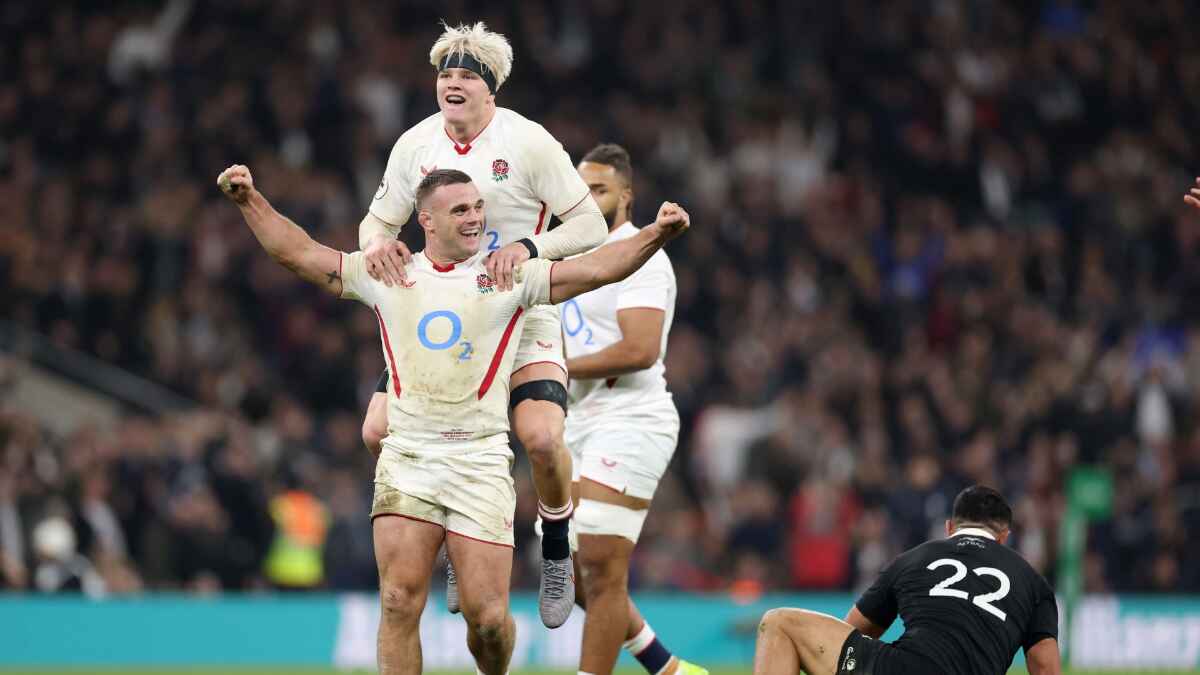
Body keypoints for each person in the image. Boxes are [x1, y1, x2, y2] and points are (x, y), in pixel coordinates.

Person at [216, 164, 688, 675]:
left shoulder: (508, 275)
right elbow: (301, 253)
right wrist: (249, 201)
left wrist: (655, 236)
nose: (476, 218)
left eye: (479, 208)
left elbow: (595, 269)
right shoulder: (388, 274)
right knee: (397, 601)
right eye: (461, 210)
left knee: (488, 621)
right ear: (426, 221)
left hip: (480, 461)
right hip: (409, 458)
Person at [358, 21, 610, 626]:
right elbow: (377, 223)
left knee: (544, 438)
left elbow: (591, 227)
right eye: (446, 73)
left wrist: (528, 247)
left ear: (490, 89)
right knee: (375, 432)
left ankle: (554, 547)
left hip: (520, 313)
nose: (454, 83)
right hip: (442, 316)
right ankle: (452, 530)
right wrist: (376, 248)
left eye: (468, 75)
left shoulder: (529, 143)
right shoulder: (415, 145)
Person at [559, 144, 704, 675]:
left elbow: (640, 349)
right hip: (577, 423)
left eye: (599, 190)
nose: (588, 199)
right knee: (567, 574)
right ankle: (667, 669)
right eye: (581, 190)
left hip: (630, 417)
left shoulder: (640, 254)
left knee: (601, 570)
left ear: (626, 195)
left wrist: (561, 368)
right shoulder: (569, 258)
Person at [753, 485, 1061, 675]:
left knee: (778, 623)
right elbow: (1045, 667)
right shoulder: (1034, 583)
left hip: (900, 668)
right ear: (1004, 537)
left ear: (949, 527)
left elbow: (853, 632)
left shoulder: (914, 558)